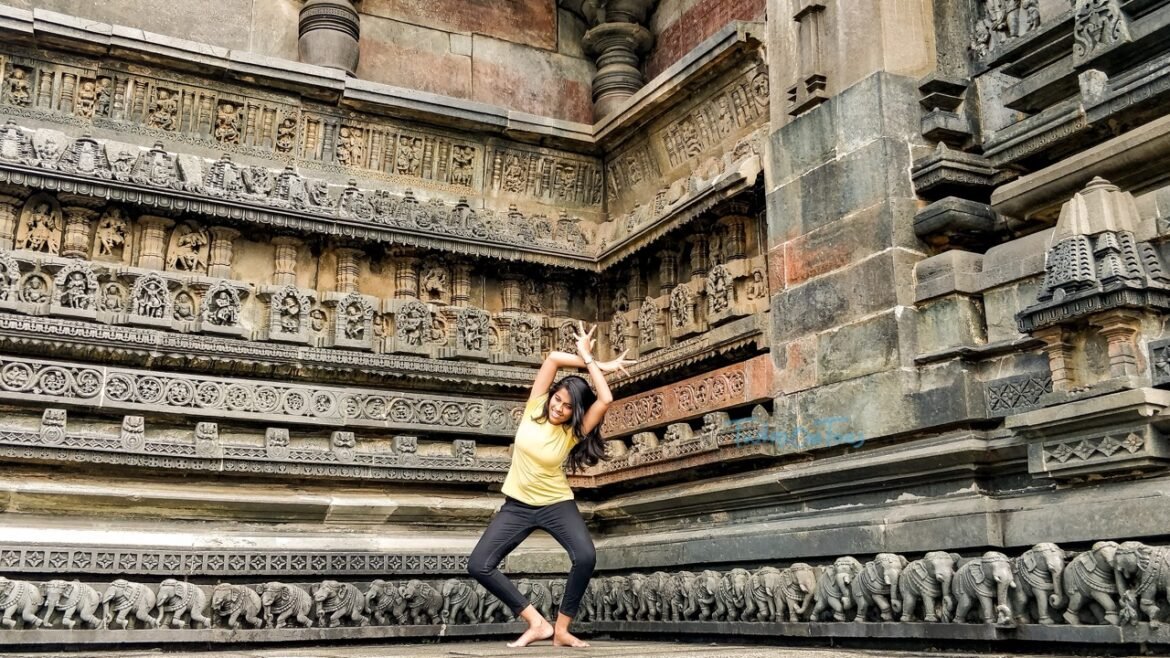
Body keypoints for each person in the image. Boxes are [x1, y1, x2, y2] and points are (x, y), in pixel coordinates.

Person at [468, 321, 635, 648]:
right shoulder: (535, 405)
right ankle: (535, 621)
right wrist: (592, 359)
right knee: (479, 565)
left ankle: (561, 629)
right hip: (516, 505)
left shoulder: (573, 432)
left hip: (555, 504)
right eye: (557, 400)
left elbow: (605, 397)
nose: (558, 408)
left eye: (567, 406)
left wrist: (590, 362)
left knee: (585, 557)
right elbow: (554, 359)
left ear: (576, 412)